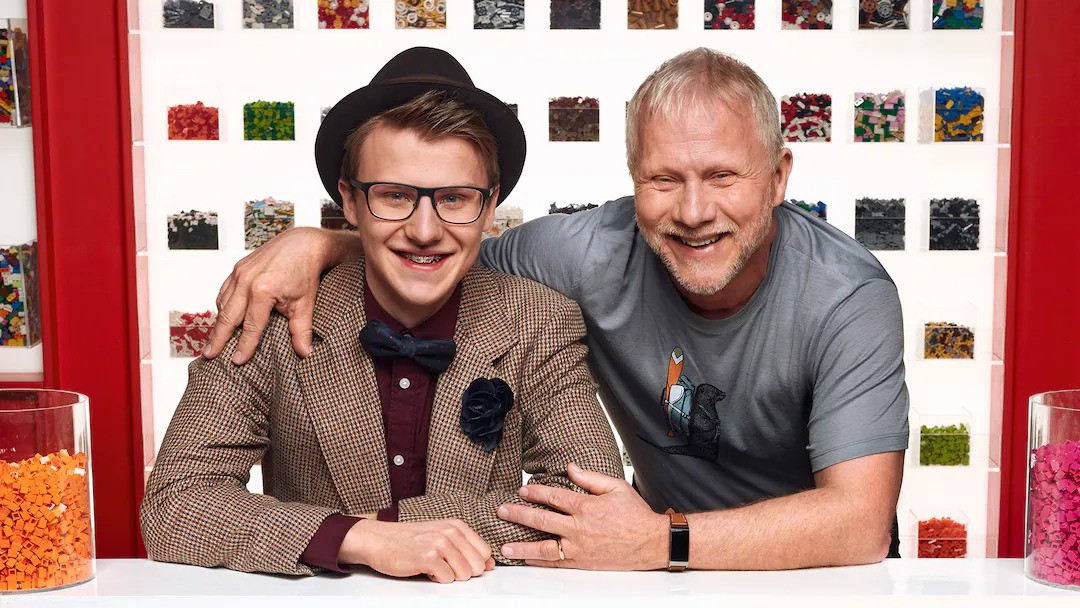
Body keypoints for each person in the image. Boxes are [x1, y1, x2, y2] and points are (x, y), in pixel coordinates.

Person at [204, 47, 909, 572]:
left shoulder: (847, 295)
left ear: (779, 177)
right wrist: (318, 243)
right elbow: (439, 246)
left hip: (813, 568)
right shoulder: (577, 254)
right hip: (652, 571)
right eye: (664, 179)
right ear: (632, 179)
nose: (694, 212)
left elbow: (860, 525)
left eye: (723, 176)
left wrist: (660, 540)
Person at [140, 46, 623, 582]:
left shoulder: (541, 321)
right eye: (394, 196)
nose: (424, 230)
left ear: (489, 207)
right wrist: (359, 539)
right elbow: (174, 505)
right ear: (349, 202)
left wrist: (403, 527)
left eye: (455, 199)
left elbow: (592, 502)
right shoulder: (273, 310)